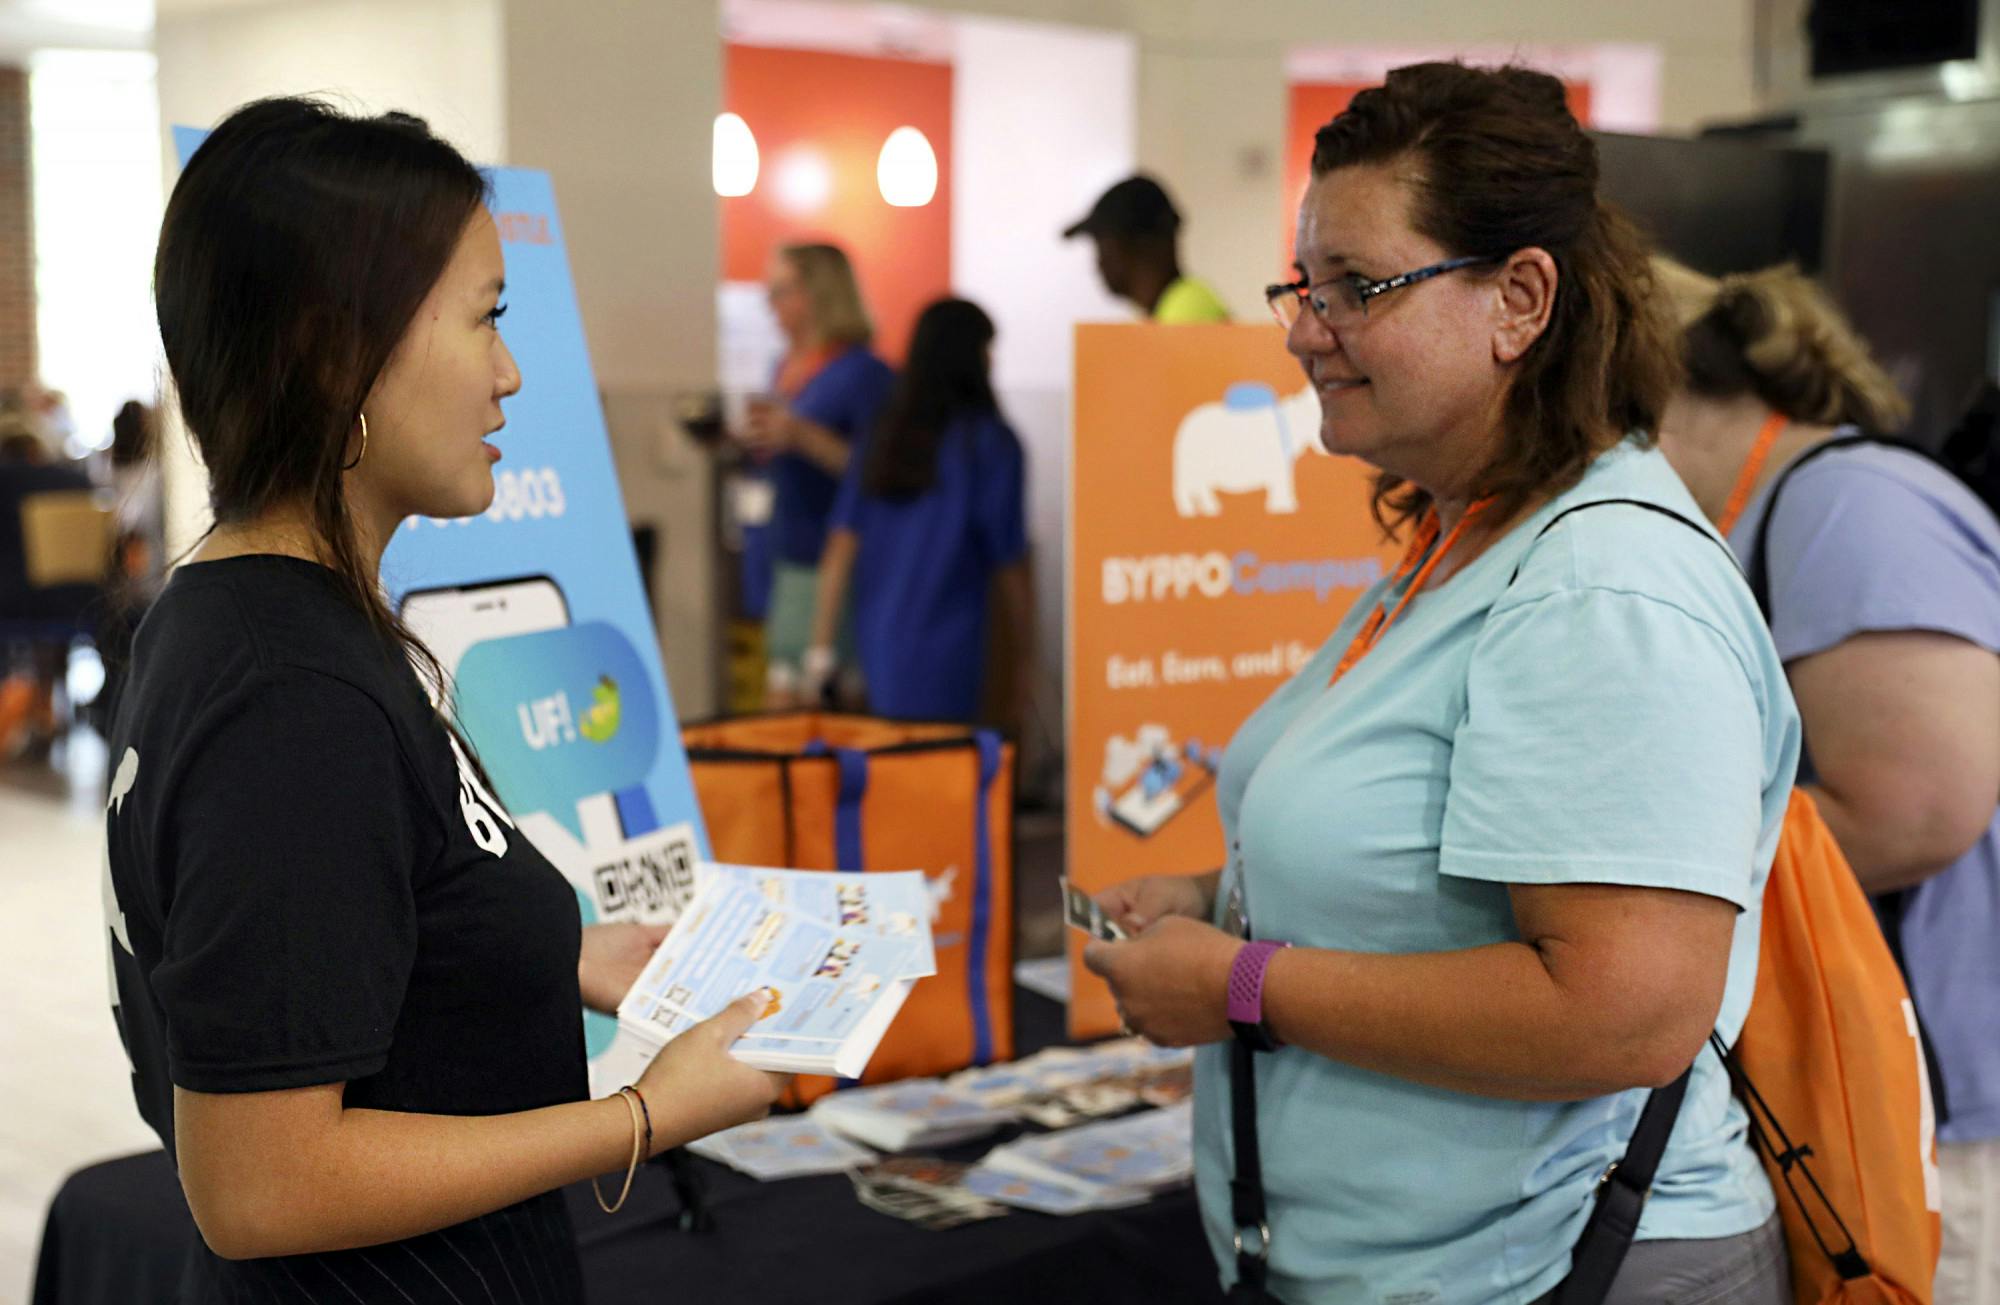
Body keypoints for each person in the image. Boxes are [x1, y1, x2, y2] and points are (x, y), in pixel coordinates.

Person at [1086, 63, 1799, 1304]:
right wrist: (1219, 890)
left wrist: (1238, 985)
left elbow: (1619, 1015)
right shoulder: (1466, 539)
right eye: (1303, 285)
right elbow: (1439, 865)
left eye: (1357, 288)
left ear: (1518, 300)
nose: (1306, 326)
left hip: (1561, 1270)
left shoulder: (1601, 586)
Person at [105, 98, 784, 1302]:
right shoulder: (287, 692)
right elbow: (261, 1184)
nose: (511, 373)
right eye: (485, 320)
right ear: (334, 351)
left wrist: (553, 952)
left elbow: (342, 933)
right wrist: (642, 1114)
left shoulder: (268, 623)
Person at [1655, 259, 2000, 1304]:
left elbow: (1914, 811)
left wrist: (1639, 857)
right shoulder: (1785, 508)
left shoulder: (1844, 505)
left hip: (1946, 1111)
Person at [804, 297, 1033, 723]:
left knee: (893, 774)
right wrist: (1025, 659)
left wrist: (820, 653)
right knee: (948, 776)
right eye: (987, 348)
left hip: (879, 645)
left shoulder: (883, 438)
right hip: (953, 651)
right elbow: (1011, 564)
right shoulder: (989, 445)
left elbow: (840, 546)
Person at [739, 242, 894, 708]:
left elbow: (878, 470)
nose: (772, 306)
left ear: (818, 293)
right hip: (785, 548)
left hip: (835, 559)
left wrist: (802, 436)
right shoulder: (785, 367)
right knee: (786, 686)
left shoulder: (864, 374)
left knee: (816, 698)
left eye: (781, 291)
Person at [1063, 174, 1231, 323]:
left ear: (1140, 242)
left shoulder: (1187, 315)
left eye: (1103, 245)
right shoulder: (1174, 309)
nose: (1099, 263)